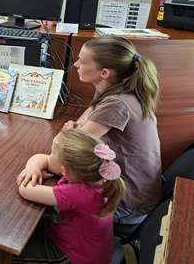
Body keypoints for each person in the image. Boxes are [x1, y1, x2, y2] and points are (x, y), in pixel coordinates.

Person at [63, 36, 161, 225]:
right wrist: (76, 131)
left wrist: (40, 160)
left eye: (82, 61)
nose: (76, 64)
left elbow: (68, 147)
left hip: (128, 206)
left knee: (49, 204)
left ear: (104, 72)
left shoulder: (117, 104)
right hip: (137, 194)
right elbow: (85, 120)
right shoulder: (114, 87)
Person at [14, 129, 127, 264]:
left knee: (9, 254)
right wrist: (33, 169)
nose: (50, 155)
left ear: (64, 170)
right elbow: (43, 158)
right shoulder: (96, 176)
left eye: (52, 153)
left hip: (74, 257)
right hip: (89, 246)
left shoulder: (78, 194)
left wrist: (32, 175)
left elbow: (25, 189)